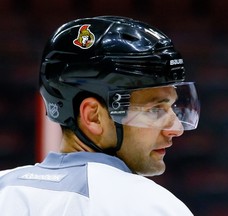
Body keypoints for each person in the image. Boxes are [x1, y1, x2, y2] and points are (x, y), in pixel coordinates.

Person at [0, 16, 200, 215]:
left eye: (172, 106)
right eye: (155, 110)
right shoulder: (150, 205)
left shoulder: (5, 189)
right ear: (93, 117)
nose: (176, 129)